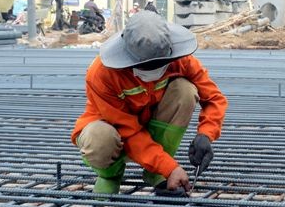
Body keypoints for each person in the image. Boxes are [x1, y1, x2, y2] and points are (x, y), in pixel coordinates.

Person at [71, 10, 228, 196]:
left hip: (150, 121)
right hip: (114, 128)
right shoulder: (102, 73)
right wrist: (170, 168)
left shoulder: (181, 60)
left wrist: (206, 134)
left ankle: (155, 172)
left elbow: (214, 98)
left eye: (160, 65)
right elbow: (127, 131)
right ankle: (109, 175)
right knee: (99, 137)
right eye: (146, 67)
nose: (154, 72)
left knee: (185, 91)